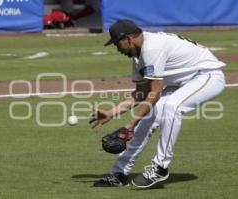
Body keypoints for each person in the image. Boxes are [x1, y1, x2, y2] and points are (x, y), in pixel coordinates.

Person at [89, 19, 226, 188]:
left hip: (207, 76)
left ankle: (160, 167)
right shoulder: (138, 56)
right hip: (181, 83)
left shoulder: (152, 47)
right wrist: (112, 113)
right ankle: (119, 173)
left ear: (128, 39)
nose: (117, 49)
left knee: (171, 106)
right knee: (149, 117)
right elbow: (141, 93)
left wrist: (130, 124)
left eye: (117, 44)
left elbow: (155, 92)